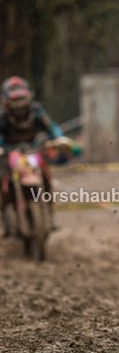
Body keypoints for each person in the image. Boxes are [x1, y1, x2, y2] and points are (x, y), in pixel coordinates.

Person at [0, 77, 68, 235]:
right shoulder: (2, 115)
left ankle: (50, 214)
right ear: (7, 99)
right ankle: (4, 219)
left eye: (21, 98)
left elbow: (51, 126)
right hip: (9, 153)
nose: (19, 103)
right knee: (1, 179)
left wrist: (59, 138)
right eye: (15, 99)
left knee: (46, 176)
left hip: (32, 151)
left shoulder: (36, 110)